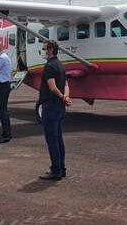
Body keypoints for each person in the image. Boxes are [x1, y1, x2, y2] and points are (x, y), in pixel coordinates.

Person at [38, 41, 71, 181]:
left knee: (52, 140)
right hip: (59, 107)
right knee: (58, 139)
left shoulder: (50, 66)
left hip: (50, 106)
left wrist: (62, 96)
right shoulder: (60, 65)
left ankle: (56, 170)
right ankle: (61, 168)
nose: (43, 51)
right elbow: (66, 84)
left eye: (44, 48)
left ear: (50, 50)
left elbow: (51, 86)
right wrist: (66, 97)